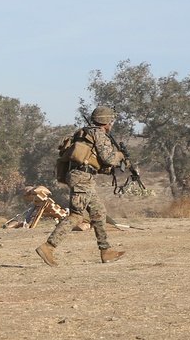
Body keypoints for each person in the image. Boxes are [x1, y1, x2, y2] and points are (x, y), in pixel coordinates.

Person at [35, 105, 127, 266]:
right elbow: (108, 159)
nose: (112, 123)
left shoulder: (84, 133)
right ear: (106, 121)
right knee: (76, 216)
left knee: (99, 212)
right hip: (83, 178)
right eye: (111, 120)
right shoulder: (99, 135)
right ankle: (48, 247)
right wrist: (120, 155)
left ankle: (106, 251)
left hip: (82, 177)